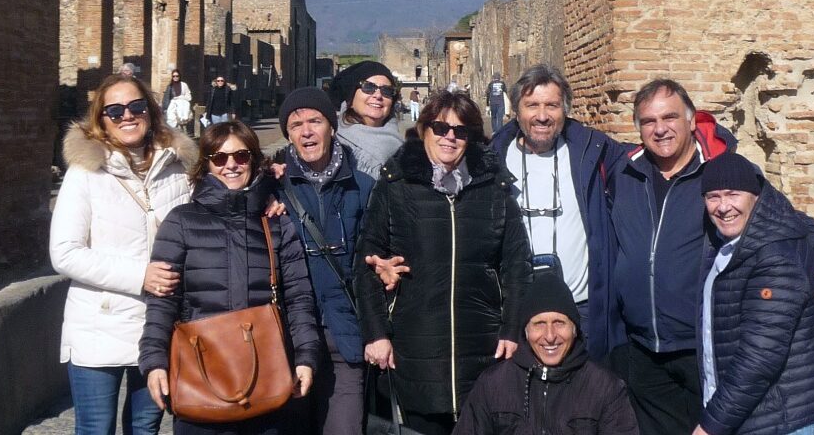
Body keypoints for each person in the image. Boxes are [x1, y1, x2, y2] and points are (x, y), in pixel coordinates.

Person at [608, 79, 814, 435]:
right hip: (645, 349)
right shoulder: (625, 171)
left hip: (706, 347)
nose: (660, 129)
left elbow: (790, 221)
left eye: (670, 117)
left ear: (691, 120)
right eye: (648, 121)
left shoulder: (722, 170)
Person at [355, 88, 533, 435]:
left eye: (460, 130)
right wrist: (376, 333)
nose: (449, 137)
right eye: (440, 127)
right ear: (424, 129)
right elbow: (367, 265)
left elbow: (516, 265)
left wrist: (512, 329)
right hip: (414, 347)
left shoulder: (494, 189)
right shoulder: (396, 186)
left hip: (483, 347)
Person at [139, 120, 320, 435]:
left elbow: (299, 297)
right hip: (201, 372)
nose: (231, 165)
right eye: (220, 158)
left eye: (241, 156)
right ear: (207, 164)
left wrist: (306, 356)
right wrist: (154, 360)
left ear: (254, 159)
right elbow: (163, 301)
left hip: (268, 375)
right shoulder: (181, 221)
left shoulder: (276, 223)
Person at [50, 73, 197, 435]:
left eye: (135, 106)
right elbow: (65, 253)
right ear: (100, 120)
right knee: (95, 429)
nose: (126, 116)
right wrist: (139, 275)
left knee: (145, 429)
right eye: (114, 110)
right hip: (99, 325)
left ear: (151, 110)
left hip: (161, 326)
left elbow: (223, 200)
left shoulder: (179, 169)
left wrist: (270, 190)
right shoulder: (85, 174)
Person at [489, 64, 633, 362]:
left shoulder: (594, 151)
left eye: (551, 105)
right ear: (516, 110)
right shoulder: (492, 160)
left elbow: (651, 161)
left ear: (565, 110)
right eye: (532, 105)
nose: (542, 115)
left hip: (582, 309)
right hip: (518, 311)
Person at [695, 152, 814, 435]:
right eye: (713, 197)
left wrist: (710, 426)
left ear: (756, 197)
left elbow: (759, 357)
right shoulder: (727, 238)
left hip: (781, 418)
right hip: (751, 412)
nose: (724, 207)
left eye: (733, 194)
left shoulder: (774, 258)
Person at [274, 87, 374, 435]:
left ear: (332, 127)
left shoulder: (363, 187)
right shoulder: (271, 187)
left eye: (315, 121)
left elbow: (373, 258)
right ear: (288, 133)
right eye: (296, 124)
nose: (306, 131)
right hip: (286, 341)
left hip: (343, 337)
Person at [454, 272, 639, 435]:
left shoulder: (605, 387)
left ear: (575, 329)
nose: (550, 336)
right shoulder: (494, 384)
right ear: (526, 331)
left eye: (559, 323)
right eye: (539, 324)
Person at [331, 61, 404, 177]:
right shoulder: (333, 147)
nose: (378, 95)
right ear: (350, 97)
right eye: (368, 87)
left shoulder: (404, 148)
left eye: (386, 91)